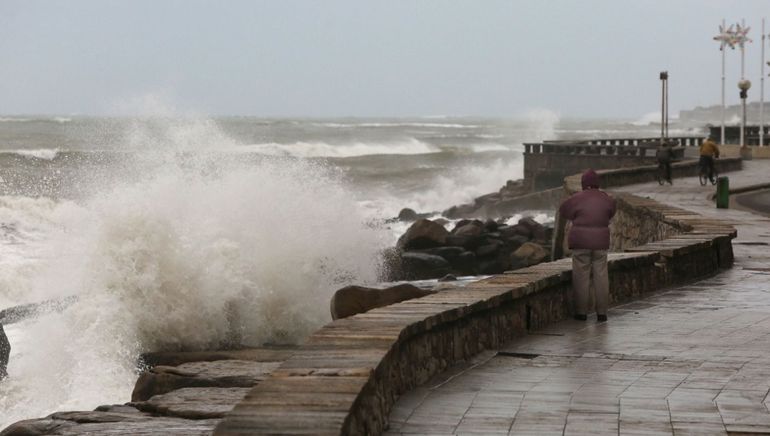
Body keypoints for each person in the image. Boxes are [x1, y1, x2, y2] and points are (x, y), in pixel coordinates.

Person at [559, 169, 617, 322]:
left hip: (580, 243)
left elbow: (563, 210)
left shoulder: (576, 198)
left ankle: (581, 312)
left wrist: (576, 216)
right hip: (600, 243)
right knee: (601, 276)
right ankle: (602, 313)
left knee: (581, 276)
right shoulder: (606, 199)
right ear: (597, 183)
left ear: (583, 184)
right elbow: (611, 212)